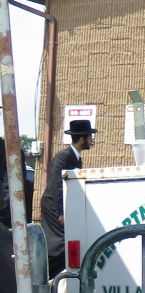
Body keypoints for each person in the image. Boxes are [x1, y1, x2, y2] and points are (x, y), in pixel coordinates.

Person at [40, 119, 95, 278]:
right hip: (53, 207)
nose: (92, 140)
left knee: (69, 243)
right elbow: (57, 184)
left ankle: (48, 278)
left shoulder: (76, 157)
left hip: (62, 207)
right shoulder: (63, 157)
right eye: (90, 137)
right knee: (60, 245)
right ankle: (42, 277)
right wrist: (61, 211)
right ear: (82, 139)